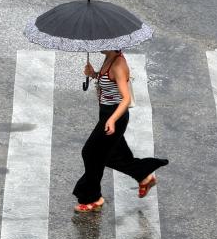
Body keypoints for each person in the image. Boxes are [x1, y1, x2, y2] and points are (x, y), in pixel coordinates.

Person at [72, 49, 169, 213]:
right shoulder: (109, 57)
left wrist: (112, 119)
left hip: (115, 117)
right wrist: (94, 74)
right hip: (107, 114)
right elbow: (109, 83)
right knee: (112, 156)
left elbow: (126, 99)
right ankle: (144, 176)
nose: (98, 44)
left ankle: (92, 197)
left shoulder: (118, 64)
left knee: (90, 153)